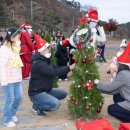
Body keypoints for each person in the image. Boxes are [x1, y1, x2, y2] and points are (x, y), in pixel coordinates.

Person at [28, 34, 76, 116]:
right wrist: (69, 68)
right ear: (41, 51)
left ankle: (44, 100)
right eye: (47, 50)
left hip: (45, 89)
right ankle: (36, 106)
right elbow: (53, 72)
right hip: (36, 93)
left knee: (63, 94)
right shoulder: (38, 63)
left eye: (49, 49)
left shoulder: (44, 60)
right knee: (55, 104)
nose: (49, 51)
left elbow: (56, 68)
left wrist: (67, 67)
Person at [95, 42, 130, 122]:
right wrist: (99, 89)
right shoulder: (124, 73)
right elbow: (115, 90)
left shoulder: (123, 74)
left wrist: (97, 83)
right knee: (117, 96)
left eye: (113, 64)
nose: (110, 66)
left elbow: (109, 88)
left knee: (111, 109)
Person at [0, 28, 23, 127]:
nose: (19, 37)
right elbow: (1, 66)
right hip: (8, 80)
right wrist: (3, 81)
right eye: (17, 35)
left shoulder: (15, 47)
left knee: (19, 97)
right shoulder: (4, 49)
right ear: (12, 37)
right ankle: (7, 119)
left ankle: (12, 113)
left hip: (17, 78)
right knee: (10, 99)